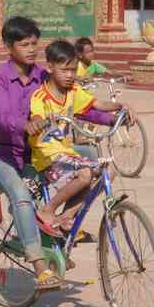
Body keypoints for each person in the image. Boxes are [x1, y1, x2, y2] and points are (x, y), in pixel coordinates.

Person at [0, 17, 62, 291]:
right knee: (21, 195)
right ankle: (39, 265)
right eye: (24, 44)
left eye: (34, 44)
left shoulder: (42, 76)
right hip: (1, 154)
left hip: (34, 152)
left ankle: (60, 229)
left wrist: (109, 115)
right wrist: (24, 124)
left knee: (87, 166)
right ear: (8, 46)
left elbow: (71, 99)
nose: (31, 49)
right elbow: (2, 116)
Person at [27, 40, 129, 242]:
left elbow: (97, 104)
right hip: (47, 156)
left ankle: (67, 215)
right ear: (50, 67)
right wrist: (38, 122)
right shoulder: (41, 97)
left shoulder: (74, 91)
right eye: (64, 70)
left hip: (67, 154)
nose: (70, 75)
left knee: (109, 170)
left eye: (73, 70)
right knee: (85, 175)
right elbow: (36, 115)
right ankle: (47, 211)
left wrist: (121, 107)